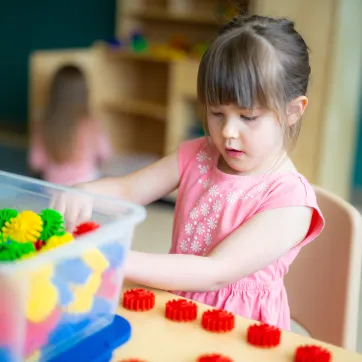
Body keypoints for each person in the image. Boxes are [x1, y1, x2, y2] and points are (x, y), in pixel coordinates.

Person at [55, 15, 325, 330]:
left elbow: (214, 272)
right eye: (216, 113)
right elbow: (129, 190)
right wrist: (83, 191)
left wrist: (116, 258)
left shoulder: (290, 202)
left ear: (293, 111)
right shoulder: (199, 153)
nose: (228, 132)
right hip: (175, 309)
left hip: (237, 332)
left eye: (248, 116)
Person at [28, 64, 112, 186]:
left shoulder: (42, 123)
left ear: (53, 92)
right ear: (84, 92)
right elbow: (106, 154)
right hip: (85, 189)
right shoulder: (91, 122)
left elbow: (35, 163)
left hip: (53, 189)